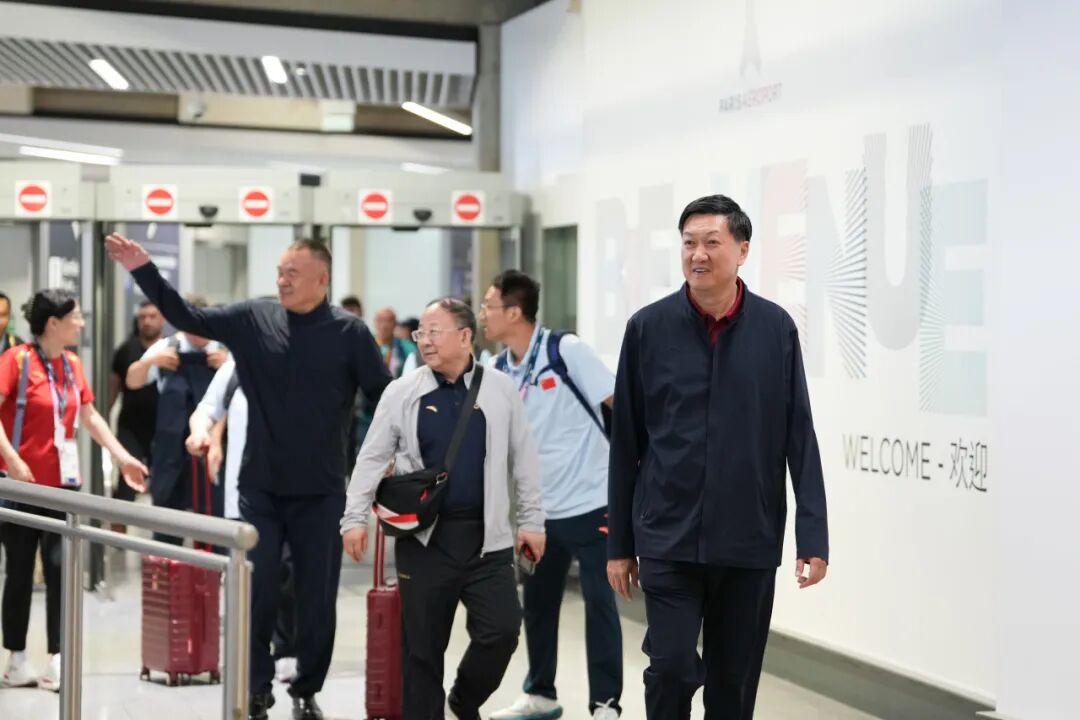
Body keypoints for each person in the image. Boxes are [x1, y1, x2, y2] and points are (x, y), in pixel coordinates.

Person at [105, 233, 390, 720]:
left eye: (292, 273)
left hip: (322, 493)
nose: (281, 280)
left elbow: (384, 397)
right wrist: (144, 271)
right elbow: (188, 316)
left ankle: (306, 686)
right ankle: (257, 688)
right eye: (279, 272)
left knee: (315, 601)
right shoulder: (254, 319)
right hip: (260, 490)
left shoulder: (350, 333)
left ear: (321, 279)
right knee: (257, 594)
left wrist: (382, 464)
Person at [606, 195, 829, 720]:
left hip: (747, 539)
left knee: (733, 685)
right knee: (671, 668)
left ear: (742, 250)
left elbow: (799, 435)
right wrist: (620, 545)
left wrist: (813, 536)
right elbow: (626, 443)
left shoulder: (775, 330)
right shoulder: (647, 329)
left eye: (711, 242)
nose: (698, 254)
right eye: (689, 243)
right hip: (667, 536)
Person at [341, 298, 546, 720]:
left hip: (488, 542)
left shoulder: (500, 389)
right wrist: (354, 518)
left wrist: (532, 521)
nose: (425, 341)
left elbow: (524, 459)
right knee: (422, 651)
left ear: (465, 336)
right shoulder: (402, 392)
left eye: (435, 332)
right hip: (425, 542)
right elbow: (372, 457)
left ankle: (463, 701)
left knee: (502, 631)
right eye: (421, 333)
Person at [482, 270, 623, 720]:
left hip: (595, 502)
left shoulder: (566, 352)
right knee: (538, 606)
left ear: (514, 312)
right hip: (538, 515)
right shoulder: (497, 370)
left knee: (600, 604)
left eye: (489, 306)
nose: (483, 314)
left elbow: (620, 403)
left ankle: (605, 703)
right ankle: (540, 694)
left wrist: (636, 478)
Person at [0, 289, 147, 691]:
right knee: (19, 573)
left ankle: (58, 656)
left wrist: (122, 457)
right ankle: (16, 657)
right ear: (54, 323)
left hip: (63, 489)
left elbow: (90, 416)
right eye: (76, 317)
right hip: (22, 490)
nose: (81, 324)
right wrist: (11, 459)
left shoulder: (72, 365)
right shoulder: (16, 361)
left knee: (62, 572)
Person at [187, 359, 298, 685]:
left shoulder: (302, 360)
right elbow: (207, 409)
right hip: (245, 497)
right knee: (255, 580)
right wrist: (200, 433)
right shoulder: (235, 368)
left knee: (289, 571)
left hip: (296, 494)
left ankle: (286, 647)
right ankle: (252, 657)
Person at [125, 297, 228, 546]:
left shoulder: (225, 350)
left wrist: (227, 365)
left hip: (211, 447)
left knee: (214, 522)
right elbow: (132, 381)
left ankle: (213, 570)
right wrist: (150, 362)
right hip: (169, 451)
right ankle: (167, 570)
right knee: (167, 521)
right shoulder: (167, 346)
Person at [107, 301, 165, 532]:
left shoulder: (170, 350)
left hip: (162, 428)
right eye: (142, 317)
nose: (147, 321)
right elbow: (113, 387)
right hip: (130, 426)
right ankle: (117, 532)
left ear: (162, 320)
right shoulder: (126, 350)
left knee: (163, 484)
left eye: (152, 316)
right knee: (126, 481)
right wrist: (103, 415)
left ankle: (162, 536)